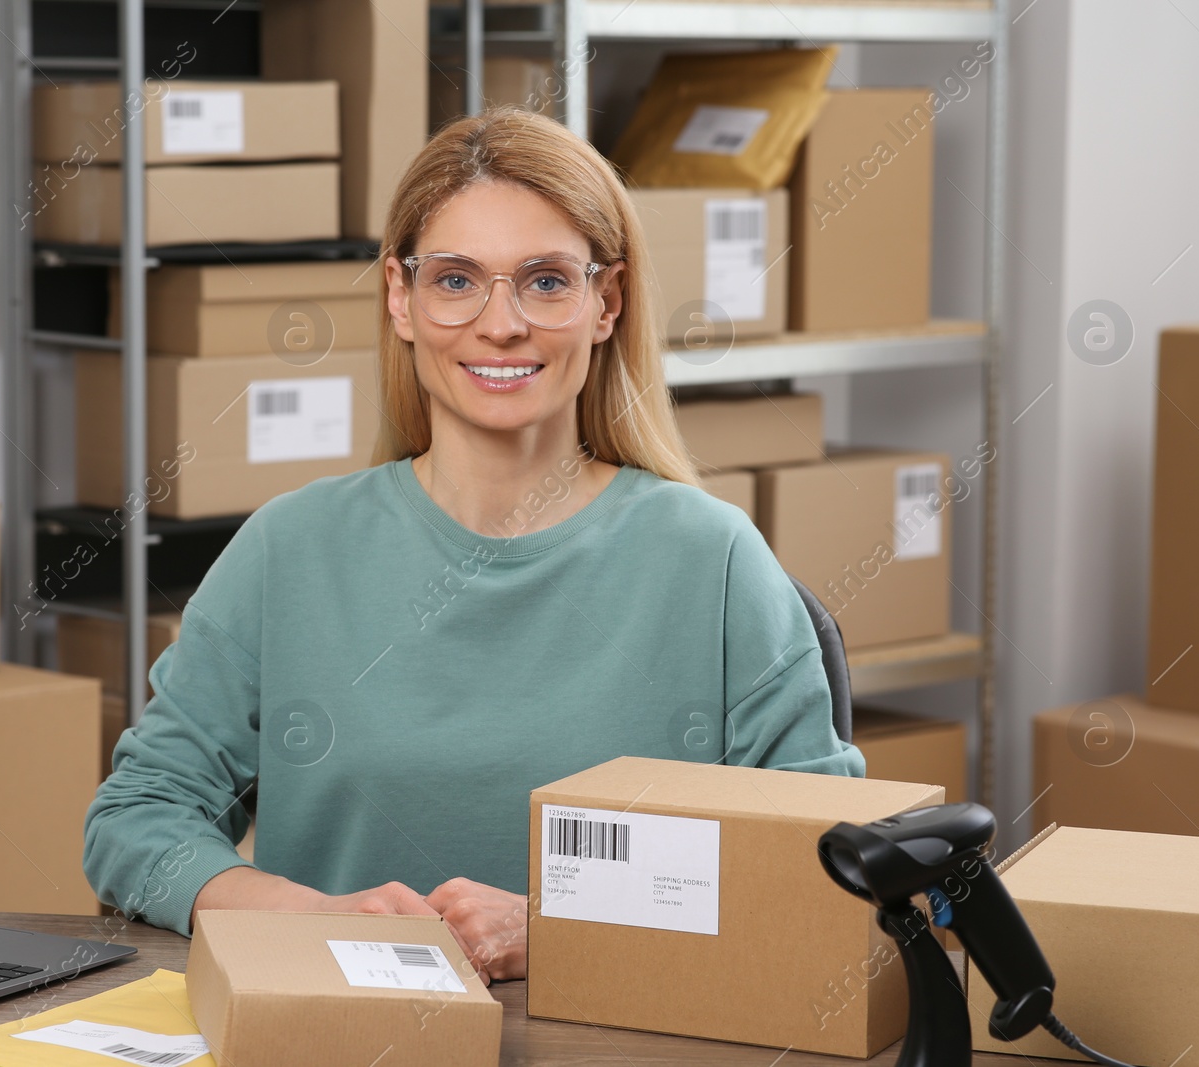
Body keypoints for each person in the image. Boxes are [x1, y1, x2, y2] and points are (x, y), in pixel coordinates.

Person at [82, 107, 865, 984]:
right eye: (456, 280)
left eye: (545, 281)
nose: (501, 325)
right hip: (339, 1033)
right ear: (399, 298)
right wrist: (312, 915)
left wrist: (564, 927)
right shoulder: (287, 551)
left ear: (606, 303)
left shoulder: (713, 561)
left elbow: (830, 864)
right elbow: (139, 818)